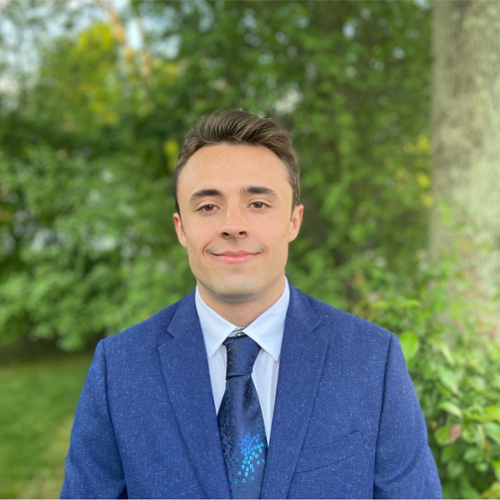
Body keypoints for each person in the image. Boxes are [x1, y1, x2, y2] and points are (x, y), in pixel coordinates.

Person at [61, 109, 442, 499]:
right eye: (208, 206)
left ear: (293, 221)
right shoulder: (119, 369)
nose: (233, 224)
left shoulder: (371, 360)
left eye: (258, 204)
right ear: (181, 228)